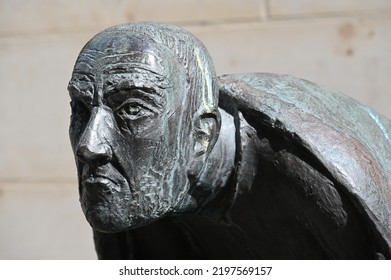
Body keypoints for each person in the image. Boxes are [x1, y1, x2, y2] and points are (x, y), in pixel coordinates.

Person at [68, 22, 391, 259]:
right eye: (80, 108)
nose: (89, 145)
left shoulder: (315, 179)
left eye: (132, 109)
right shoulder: (129, 197)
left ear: (202, 134)